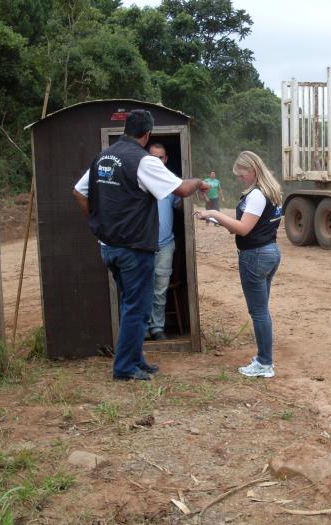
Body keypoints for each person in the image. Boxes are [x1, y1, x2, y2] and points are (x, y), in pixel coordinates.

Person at [72, 109, 208, 381]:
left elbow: (78, 191)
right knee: (137, 307)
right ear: (146, 135)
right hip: (134, 249)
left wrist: (97, 221)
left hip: (109, 247)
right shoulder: (143, 161)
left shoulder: (103, 157)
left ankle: (136, 359)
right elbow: (181, 189)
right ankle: (124, 368)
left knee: (132, 305)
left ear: (126, 130)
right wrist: (199, 183)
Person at [195, 151, 282, 378]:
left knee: (259, 312)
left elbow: (243, 229)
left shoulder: (256, 195)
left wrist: (214, 212)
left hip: (255, 255)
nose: (239, 179)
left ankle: (264, 363)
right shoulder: (271, 192)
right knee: (262, 310)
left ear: (253, 170)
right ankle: (264, 359)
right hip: (270, 251)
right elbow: (243, 226)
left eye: (242, 174)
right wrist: (216, 219)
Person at [146, 143, 180, 341]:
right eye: (153, 157)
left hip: (165, 244)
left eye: (161, 157)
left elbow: (180, 204)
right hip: (141, 246)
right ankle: (142, 330)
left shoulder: (172, 182)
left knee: (160, 290)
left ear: (165, 159)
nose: (157, 161)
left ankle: (157, 328)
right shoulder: (138, 179)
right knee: (141, 289)